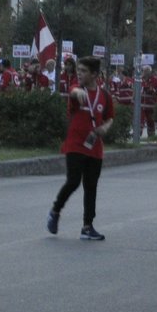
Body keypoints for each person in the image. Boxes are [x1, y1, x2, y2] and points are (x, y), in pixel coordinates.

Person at [46, 55, 114, 241]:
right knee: (73, 181)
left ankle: (87, 226)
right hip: (75, 145)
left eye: (84, 71)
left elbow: (109, 118)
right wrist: (78, 92)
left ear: (94, 74)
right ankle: (55, 211)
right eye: (79, 71)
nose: (80, 74)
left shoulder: (104, 95)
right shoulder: (77, 90)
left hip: (95, 147)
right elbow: (73, 91)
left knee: (91, 186)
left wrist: (104, 128)